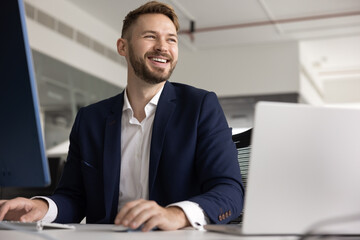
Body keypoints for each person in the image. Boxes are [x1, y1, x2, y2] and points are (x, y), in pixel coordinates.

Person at [0, 1, 244, 231]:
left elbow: (230, 191)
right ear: (122, 47)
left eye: (171, 39)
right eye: (150, 36)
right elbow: (74, 197)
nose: (163, 46)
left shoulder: (200, 106)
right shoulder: (90, 119)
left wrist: (176, 214)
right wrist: (42, 207)